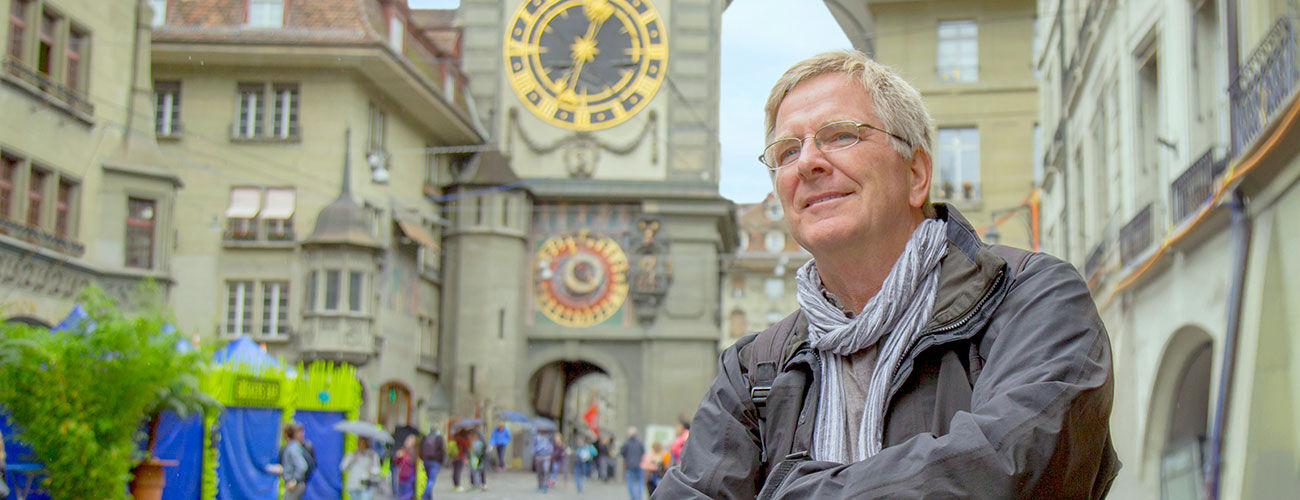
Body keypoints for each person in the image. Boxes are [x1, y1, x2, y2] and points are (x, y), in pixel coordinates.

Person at [653, 49, 1119, 499]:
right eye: (787, 150)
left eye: (840, 135)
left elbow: (1008, 471)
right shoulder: (754, 369)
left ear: (916, 173)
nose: (808, 162)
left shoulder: (1029, 299)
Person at [278, 423, 309, 500]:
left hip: (295, 485)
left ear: (285, 434)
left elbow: (303, 466)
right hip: (294, 484)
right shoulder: (292, 446)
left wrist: (294, 480)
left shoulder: (292, 448)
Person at [618, 427, 645, 500]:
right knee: (640, 481)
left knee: (630, 482)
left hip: (629, 465)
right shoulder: (640, 442)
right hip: (639, 464)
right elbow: (643, 452)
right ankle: (639, 497)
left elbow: (622, 453)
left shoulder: (627, 443)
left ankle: (633, 497)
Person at [418, 428, 445, 500]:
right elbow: (442, 450)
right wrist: (442, 462)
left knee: (428, 480)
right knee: (431, 480)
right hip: (435, 462)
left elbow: (420, 448)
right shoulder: (439, 438)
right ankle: (424, 496)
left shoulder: (425, 437)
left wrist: (422, 458)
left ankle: (429, 497)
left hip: (425, 461)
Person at [392, 434, 418, 500]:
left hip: (409, 479)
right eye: (407, 440)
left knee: (406, 496)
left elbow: (415, 464)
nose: (407, 442)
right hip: (401, 479)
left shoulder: (414, 453)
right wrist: (397, 456)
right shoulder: (403, 451)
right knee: (400, 495)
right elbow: (396, 462)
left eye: (409, 440)